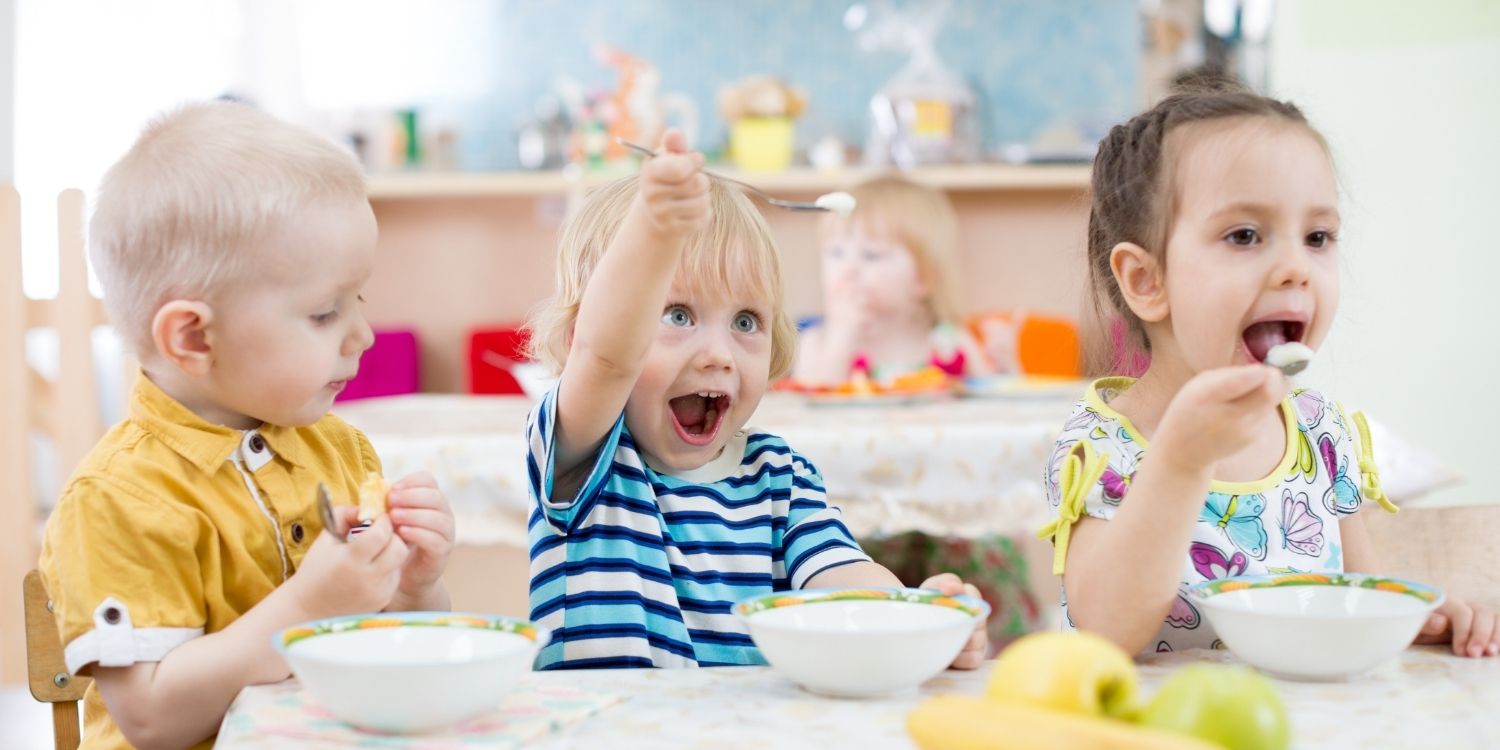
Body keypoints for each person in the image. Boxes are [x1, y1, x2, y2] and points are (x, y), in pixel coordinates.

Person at [38, 102, 456, 749]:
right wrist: (308, 608)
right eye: (324, 313)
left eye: (359, 300)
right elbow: (151, 720)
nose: (365, 336)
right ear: (194, 337)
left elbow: (389, 642)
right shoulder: (117, 502)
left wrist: (412, 585)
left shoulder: (343, 453)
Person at [1039, 86, 1499, 657]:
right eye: (1245, 236)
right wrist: (1182, 459)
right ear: (1146, 281)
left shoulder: (1320, 433)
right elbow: (1105, 635)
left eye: (1317, 238)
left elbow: (1358, 598)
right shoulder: (1104, 449)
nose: (1295, 268)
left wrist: (1415, 621)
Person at [523, 131, 986, 669]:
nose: (719, 354)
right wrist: (654, 230)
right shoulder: (583, 454)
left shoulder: (779, 475)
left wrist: (917, 617)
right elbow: (606, 357)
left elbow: (840, 576)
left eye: (746, 321)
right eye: (677, 314)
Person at [793, 175, 996, 385]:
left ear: (923, 278)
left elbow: (994, 405)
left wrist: (1009, 365)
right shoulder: (816, 343)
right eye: (836, 253)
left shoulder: (952, 344)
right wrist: (841, 338)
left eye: (871, 255)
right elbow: (814, 400)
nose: (848, 268)